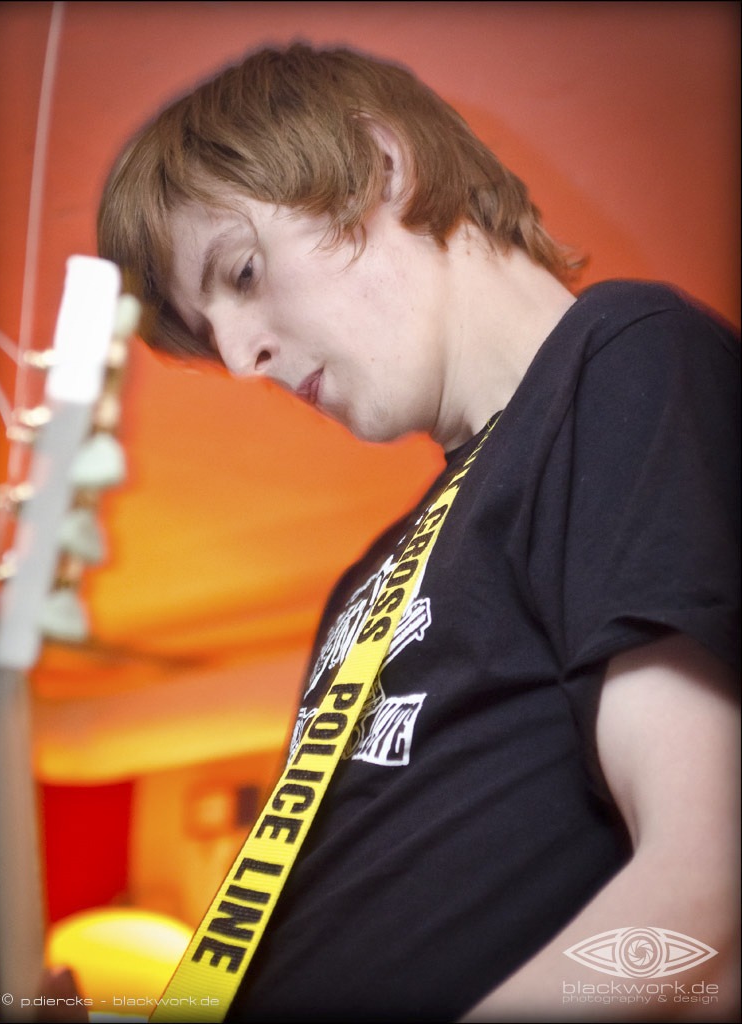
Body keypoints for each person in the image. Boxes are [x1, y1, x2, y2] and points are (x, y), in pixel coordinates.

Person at [95, 43, 740, 1022]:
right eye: (209, 329)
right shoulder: (367, 577)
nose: (239, 354)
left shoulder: (624, 360)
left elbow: (703, 903)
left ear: (378, 166)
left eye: (243, 271)